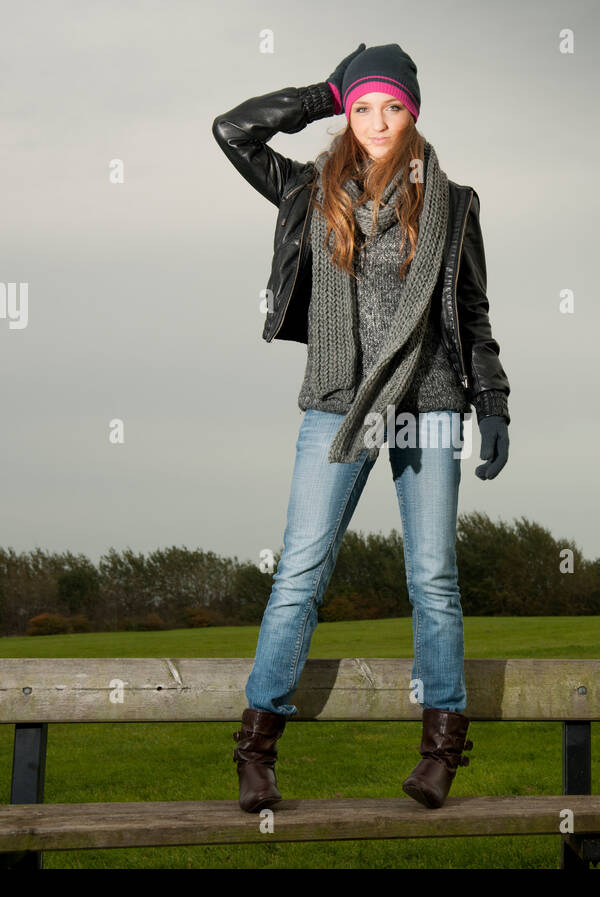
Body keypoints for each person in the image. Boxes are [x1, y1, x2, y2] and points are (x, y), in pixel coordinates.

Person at [211, 42, 512, 812]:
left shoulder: (455, 203)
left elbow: (471, 315)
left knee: (434, 581)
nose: (378, 121)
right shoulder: (307, 192)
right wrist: (322, 89)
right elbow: (232, 130)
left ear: (414, 113)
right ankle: (257, 750)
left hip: (431, 404)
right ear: (348, 111)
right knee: (300, 576)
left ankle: (441, 752)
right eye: (364, 106)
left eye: (393, 106)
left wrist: (492, 403)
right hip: (337, 401)